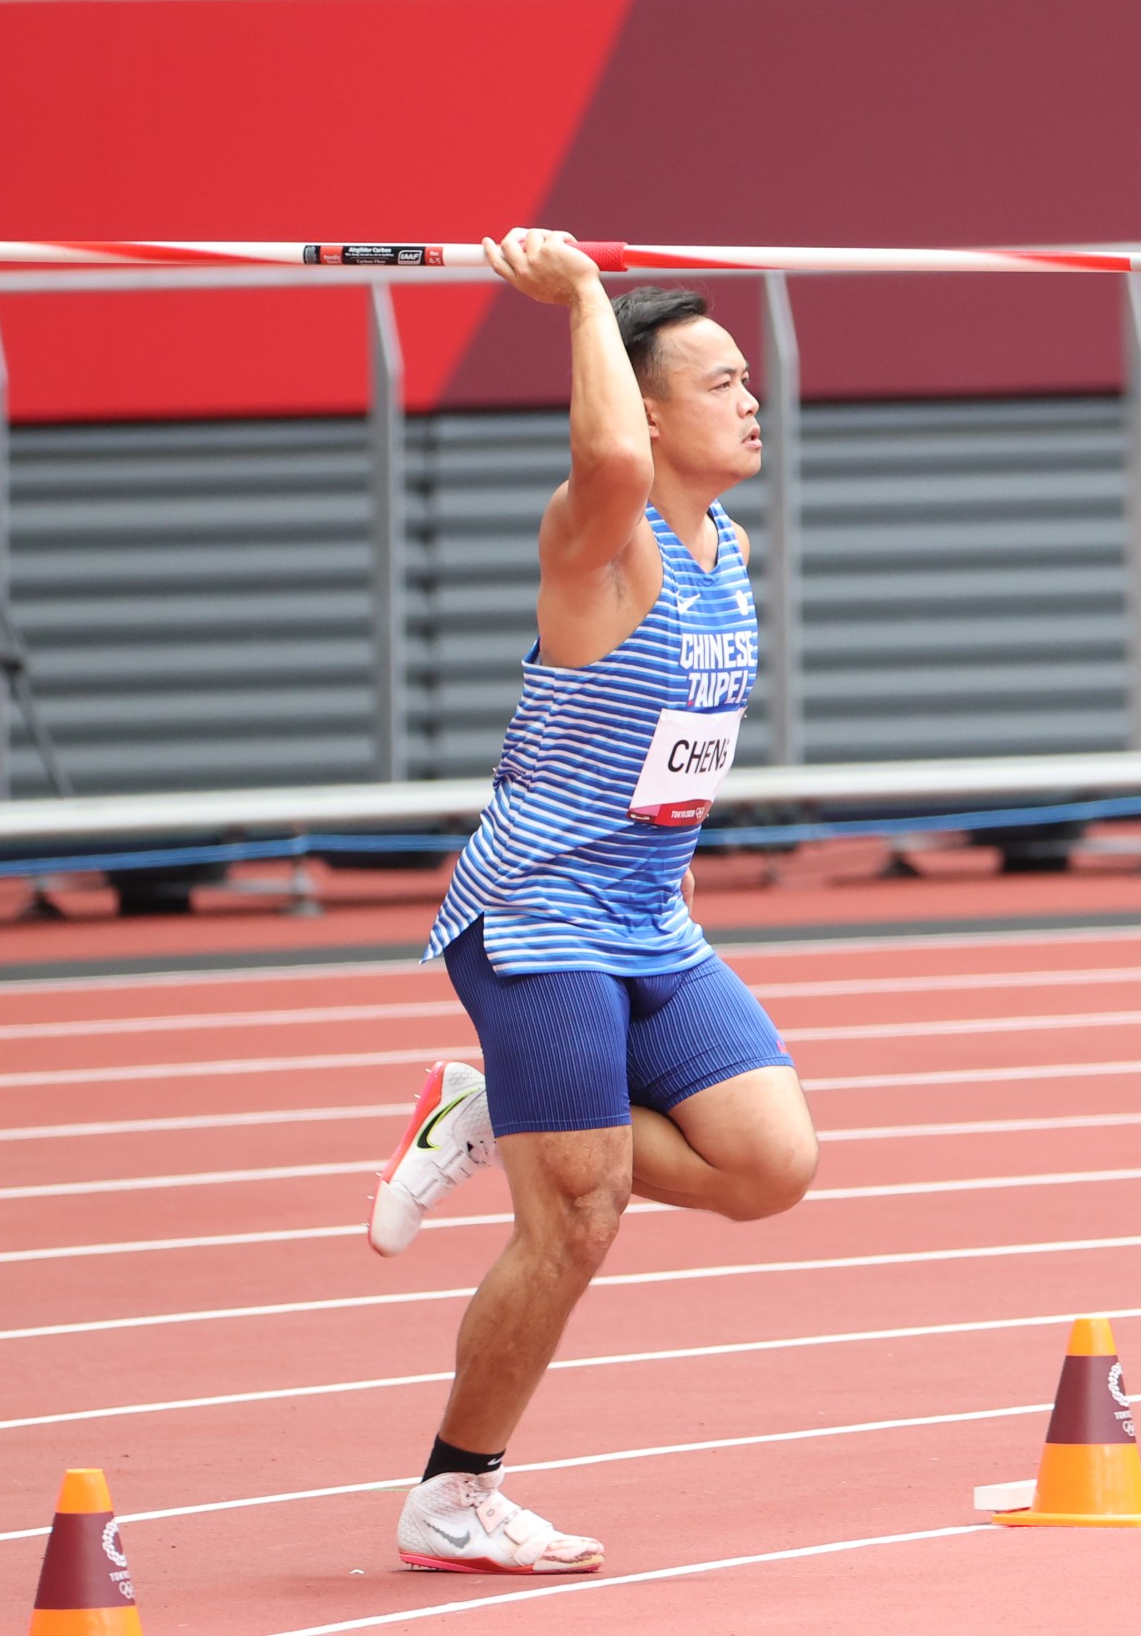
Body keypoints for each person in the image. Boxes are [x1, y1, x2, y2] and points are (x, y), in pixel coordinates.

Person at [365, 228, 821, 1575]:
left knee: (770, 1161)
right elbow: (609, 460)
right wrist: (576, 298)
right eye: (722, 381)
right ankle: (454, 1490)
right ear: (647, 406)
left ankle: (489, 1106)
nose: (752, 399)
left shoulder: (723, 542)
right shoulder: (596, 544)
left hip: (653, 922)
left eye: (750, 376)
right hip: (540, 918)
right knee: (580, 1211)